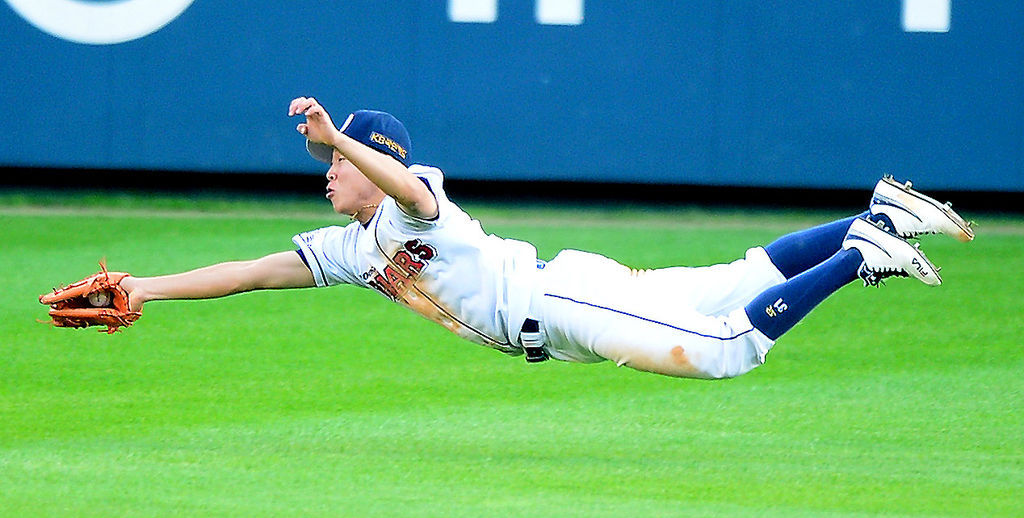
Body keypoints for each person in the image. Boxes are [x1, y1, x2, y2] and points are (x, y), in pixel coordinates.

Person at [116, 96, 974, 379]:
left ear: (367, 157)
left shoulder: (418, 203)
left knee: (727, 349)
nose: (324, 174)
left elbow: (403, 183)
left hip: (559, 301)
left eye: (338, 160)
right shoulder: (352, 246)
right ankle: (877, 212)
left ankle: (866, 250)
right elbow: (251, 273)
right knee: (740, 273)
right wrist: (145, 289)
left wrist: (339, 141)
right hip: (565, 295)